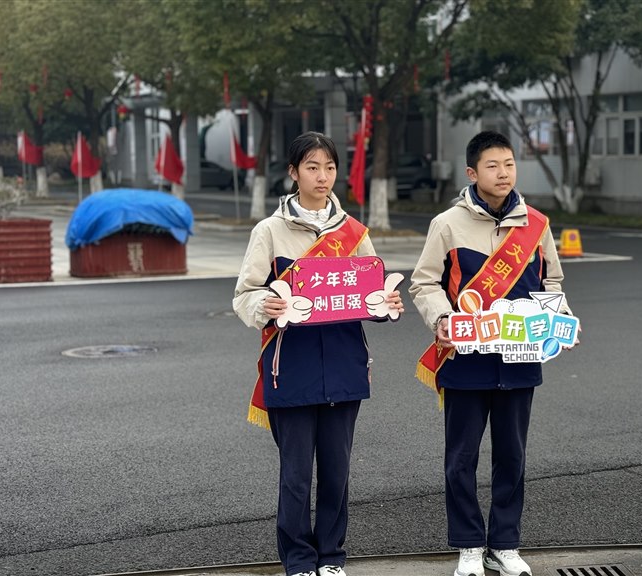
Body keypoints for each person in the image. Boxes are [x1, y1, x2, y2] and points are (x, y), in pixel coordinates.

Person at [232, 131, 404, 576]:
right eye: (312, 167)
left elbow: (370, 292)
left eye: (329, 167)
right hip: (290, 368)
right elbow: (244, 294)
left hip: (345, 367)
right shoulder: (269, 231)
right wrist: (265, 305)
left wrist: (385, 306)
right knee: (295, 475)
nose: (322, 176)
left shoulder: (354, 232)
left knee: (336, 472)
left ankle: (331, 556)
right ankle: (298, 559)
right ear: (294, 173)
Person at [409, 131, 570, 576]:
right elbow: (424, 283)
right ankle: (468, 545)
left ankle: (504, 544)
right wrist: (443, 319)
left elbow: (552, 282)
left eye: (509, 164)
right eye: (493, 165)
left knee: (512, 456)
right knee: (461, 458)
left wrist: (558, 319)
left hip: (520, 359)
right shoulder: (447, 224)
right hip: (465, 360)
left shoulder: (536, 224)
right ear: (472, 172)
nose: (503, 173)